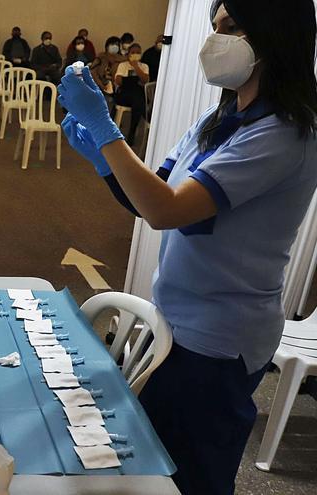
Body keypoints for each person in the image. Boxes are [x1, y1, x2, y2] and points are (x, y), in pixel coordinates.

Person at [58, 1, 317, 493]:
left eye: (233, 27)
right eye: (215, 26)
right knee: (159, 453)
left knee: (194, 472)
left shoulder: (285, 134)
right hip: (180, 319)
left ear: (274, 33)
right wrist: (103, 160)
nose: (216, 40)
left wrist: (106, 128)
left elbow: (167, 210)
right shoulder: (218, 118)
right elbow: (151, 196)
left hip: (220, 337)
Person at [113, 43, 149, 144]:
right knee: (139, 100)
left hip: (137, 94)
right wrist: (134, 80)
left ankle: (132, 132)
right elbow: (118, 81)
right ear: (128, 53)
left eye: (138, 52)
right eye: (133, 52)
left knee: (138, 99)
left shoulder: (144, 66)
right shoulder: (123, 65)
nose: (135, 54)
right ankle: (144, 120)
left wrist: (136, 67)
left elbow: (145, 80)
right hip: (124, 94)